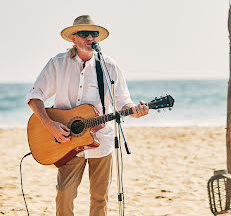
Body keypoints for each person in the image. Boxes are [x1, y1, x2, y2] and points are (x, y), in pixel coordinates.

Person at [26, 15, 149, 216]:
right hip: (66, 141)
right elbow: (34, 96)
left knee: (99, 199)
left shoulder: (109, 66)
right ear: (74, 38)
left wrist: (136, 110)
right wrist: (49, 125)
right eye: (85, 34)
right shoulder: (58, 64)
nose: (91, 38)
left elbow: (123, 101)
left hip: (102, 141)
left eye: (94, 34)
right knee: (64, 193)